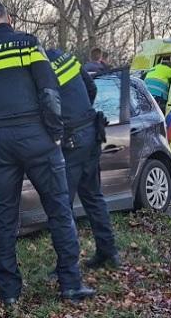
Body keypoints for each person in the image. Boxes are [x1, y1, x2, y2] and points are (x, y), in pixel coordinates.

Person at [0, 0, 95, 306]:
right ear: (8, 18)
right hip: (36, 138)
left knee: (5, 219)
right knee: (59, 212)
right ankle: (70, 285)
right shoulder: (27, 44)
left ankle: (9, 292)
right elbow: (49, 90)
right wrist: (54, 132)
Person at [45, 48, 121, 270]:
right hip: (92, 132)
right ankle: (109, 252)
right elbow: (91, 87)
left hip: (72, 140)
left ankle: (66, 266)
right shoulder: (65, 57)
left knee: (62, 205)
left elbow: (46, 106)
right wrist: (81, 113)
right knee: (93, 196)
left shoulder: (40, 66)